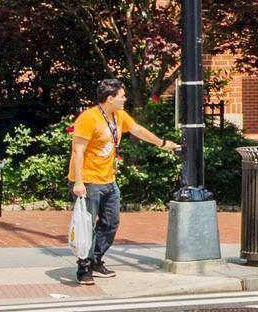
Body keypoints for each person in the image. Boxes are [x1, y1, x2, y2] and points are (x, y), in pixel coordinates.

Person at [68, 80, 179, 283]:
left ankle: (96, 259)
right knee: (87, 225)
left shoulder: (118, 115)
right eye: (122, 96)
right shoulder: (88, 118)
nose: (124, 99)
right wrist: (78, 182)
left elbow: (137, 129)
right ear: (110, 99)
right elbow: (78, 151)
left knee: (111, 222)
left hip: (109, 180)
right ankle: (83, 268)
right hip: (89, 181)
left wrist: (162, 143)